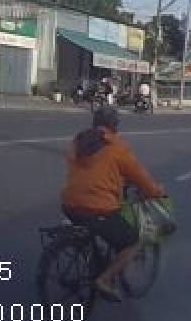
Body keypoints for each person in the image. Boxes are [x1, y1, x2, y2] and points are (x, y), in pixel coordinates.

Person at [60, 106, 166, 301]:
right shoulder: (117, 147)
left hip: (69, 204)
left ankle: (94, 261)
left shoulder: (78, 141)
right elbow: (139, 177)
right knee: (132, 242)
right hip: (97, 208)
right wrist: (156, 192)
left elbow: (91, 172)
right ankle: (104, 280)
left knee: (99, 228)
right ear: (114, 125)